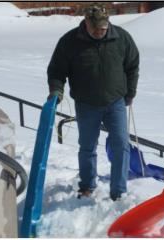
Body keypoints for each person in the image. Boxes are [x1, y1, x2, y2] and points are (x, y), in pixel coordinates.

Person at [47, 3, 140, 201]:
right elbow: (56, 71)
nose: (99, 32)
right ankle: (87, 185)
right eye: (95, 28)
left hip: (115, 102)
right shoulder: (69, 42)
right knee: (87, 146)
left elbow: (132, 65)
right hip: (86, 104)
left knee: (121, 145)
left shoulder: (121, 38)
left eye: (103, 28)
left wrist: (130, 92)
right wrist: (56, 90)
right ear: (86, 23)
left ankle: (119, 191)